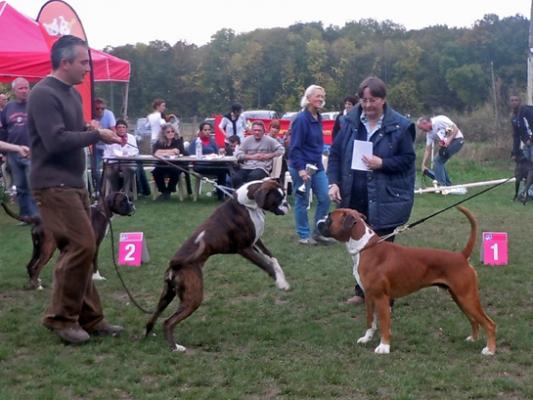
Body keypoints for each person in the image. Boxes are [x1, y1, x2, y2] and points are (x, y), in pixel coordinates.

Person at [27, 35, 123, 344]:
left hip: (73, 183)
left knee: (84, 247)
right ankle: (61, 318)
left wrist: (96, 132)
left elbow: (74, 131)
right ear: (65, 62)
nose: (88, 69)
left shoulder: (70, 94)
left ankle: (91, 319)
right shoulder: (43, 94)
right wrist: (95, 136)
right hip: (53, 185)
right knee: (81, 245)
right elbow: (55, 141)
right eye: (83, 62)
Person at [328, 76, 416, 304]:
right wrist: (334, 182)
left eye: (373, 100)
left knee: (384, 249)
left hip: (386, 197)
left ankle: (386, 297)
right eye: (364, 100)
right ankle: (362, 290)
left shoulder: (401, 126)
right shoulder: (348, 122)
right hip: (354, 195)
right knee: (358, 246)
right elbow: (335, 155)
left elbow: (407, 160)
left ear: (383, 100)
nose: (367, 105)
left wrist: (382, 163)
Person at [288, 84, 334, 245]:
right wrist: (301, 169)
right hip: (301, 167)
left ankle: (318, 232)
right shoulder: (301, 120)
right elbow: (294, 148)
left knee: (325, 197)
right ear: (308, 99)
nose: (321, 99)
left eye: (323, 96)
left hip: (317, 166)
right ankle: (304, 235)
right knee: (302, 200)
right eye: (318, 96)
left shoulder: (318, 117)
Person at [0, 77, 39, 218]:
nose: (24, 91)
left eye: (26, 87)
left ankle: (36, 216)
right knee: (20, 187)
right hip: (13, 154)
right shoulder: (8, 108)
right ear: (14, 91)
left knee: (32, 185)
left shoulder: (35, 105)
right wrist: (4, 152)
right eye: (21, 88)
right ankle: (25, 216)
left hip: (31, 152)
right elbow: (3, 130)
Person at [232, 121, 284, 188]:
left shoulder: (270, 140)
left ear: (263, 131)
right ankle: (239, 196)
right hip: (247, 166)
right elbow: (238, 154)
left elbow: (282, 150)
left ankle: (252, 196)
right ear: (252, 131)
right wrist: (251, 157)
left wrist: (268, 155)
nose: (257, 132)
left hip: (262, 167)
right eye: (255, 130)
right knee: (236, 178)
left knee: (253, 176)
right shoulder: (247, 140)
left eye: (259, 130)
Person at [417, 115, 465, 187]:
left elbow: (455, 128)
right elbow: (427, 149)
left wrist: (448, 141)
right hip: (447, 143)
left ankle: (442, 186)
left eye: (421, 128)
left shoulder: (439, 121)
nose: (422, 130)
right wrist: (423, 164)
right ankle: (447, 185)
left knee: (438, 161)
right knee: (439, 161)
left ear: (425, 123)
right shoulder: (429, 134)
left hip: (457, 140)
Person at [151, 123, 189, 200]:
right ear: (164, 133)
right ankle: (163, 191)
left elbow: (177, 151)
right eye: (168, 132)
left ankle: (168, 192)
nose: (171, 133)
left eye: (172, 131)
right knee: (156, 172)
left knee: (175, 171)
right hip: (162, 164)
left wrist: (162, 152)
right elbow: (156, 153)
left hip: (175, 164)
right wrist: (170, 151)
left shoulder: (178, 140)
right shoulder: (159, 142)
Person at [102, 119, 139, 197]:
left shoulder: (131, 138)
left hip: (127, 162)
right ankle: (114, 193)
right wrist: (114, 156)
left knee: (128, 170)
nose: (121, 129)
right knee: (111, 172)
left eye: (123, 127)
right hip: (113, 162)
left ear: (126, 129)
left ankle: (125, 193)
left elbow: (135, 151)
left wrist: (127, 154)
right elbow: (106, 154)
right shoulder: (111, 138)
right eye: (119, 127)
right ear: (116, 129)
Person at [193, 122, 227, 201]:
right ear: (201, 131)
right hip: (200, 165)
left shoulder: (212, 141)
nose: (208, 132)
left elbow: (217, 153)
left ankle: (223, 194)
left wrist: (220, 153)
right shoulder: (196, 141)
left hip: (212, 164)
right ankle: (221, 195)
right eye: (205, 130)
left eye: (209, 130)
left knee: (225, 169)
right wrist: (205, 156)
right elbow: (190, 154)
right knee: (223, 171)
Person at [90, 98, 116, 194]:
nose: (100, 110)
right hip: (95, 146)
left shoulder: (109, 114)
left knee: (110, 169)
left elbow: (113, 130)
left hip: (107, 146)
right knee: (95, 170)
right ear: (93, 109)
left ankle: (109, 189)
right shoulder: (90, 115)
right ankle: (98, 189)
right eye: (97, 108)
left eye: (102, 108)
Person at [509, 95, 533, 161]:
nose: (514, 102)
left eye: (516, 100)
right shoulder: (514, 118)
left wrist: (531, 139)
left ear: (520, 101)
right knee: (527, 167)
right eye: (512, 100)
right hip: (526, 145)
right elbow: (516, 136)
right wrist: (514, 152)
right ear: (510, 103)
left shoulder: (527, 111)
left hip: (531, 142)